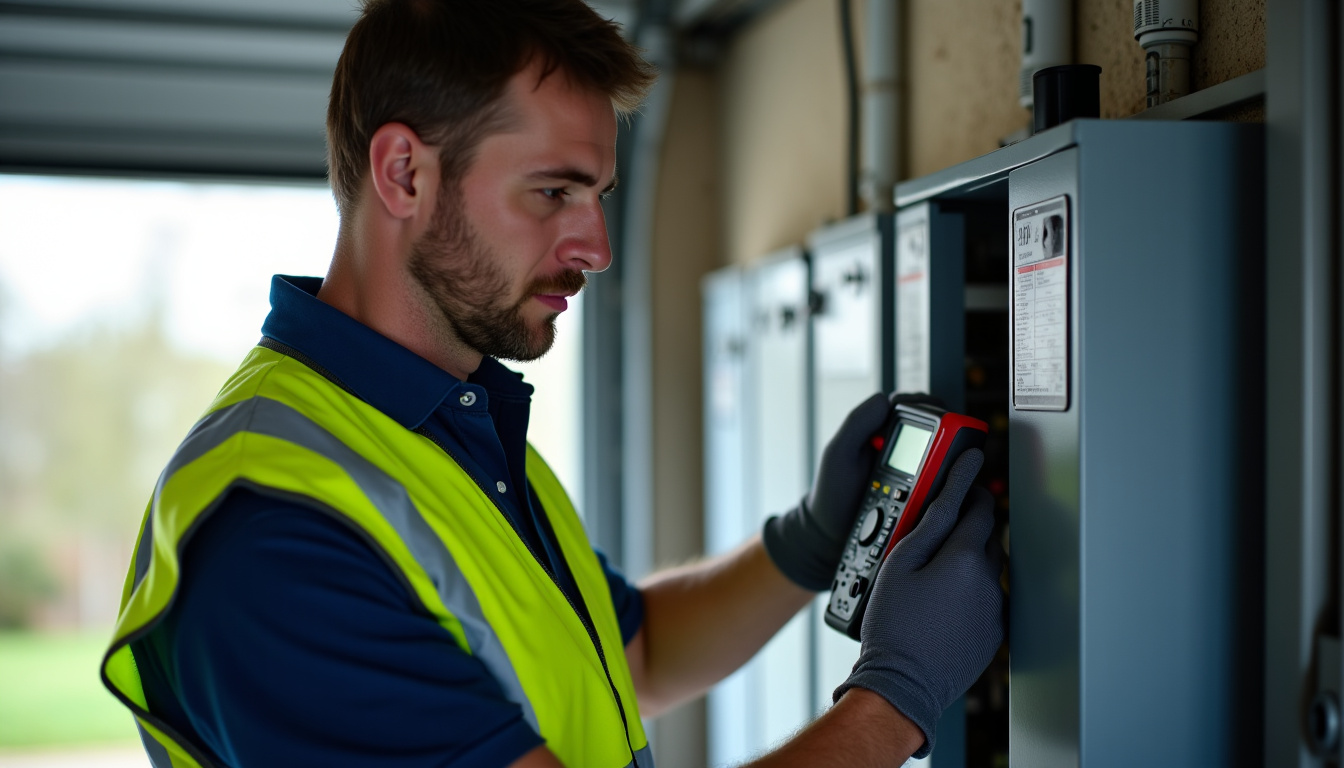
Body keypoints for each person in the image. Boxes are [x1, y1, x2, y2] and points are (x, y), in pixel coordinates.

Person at [100, 1, 1003, 766]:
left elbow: (634, 656)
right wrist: (894, 699)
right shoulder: (277, 538)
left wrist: (807, 543)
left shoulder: (445, 424)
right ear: (404, 173)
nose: (596, 248)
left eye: (598, 194)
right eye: (552, 193)